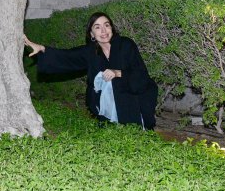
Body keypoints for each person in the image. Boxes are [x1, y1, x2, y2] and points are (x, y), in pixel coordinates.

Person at [24, 12, 158, 129]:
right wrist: (42, 49)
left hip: (132, 100)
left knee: (132, 131)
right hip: (106, 106)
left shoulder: (126, 45)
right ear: (92, 34)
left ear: (112, 28)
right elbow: (67, 56)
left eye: (106, 25)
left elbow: (141, 75)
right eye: (97, 27)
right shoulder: (91, 51)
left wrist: (118, 73)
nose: (103, 31)